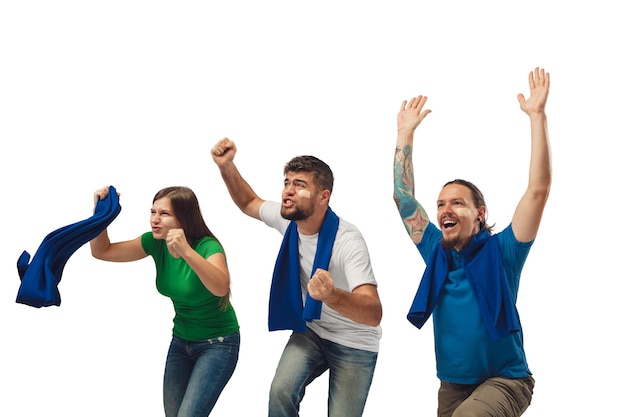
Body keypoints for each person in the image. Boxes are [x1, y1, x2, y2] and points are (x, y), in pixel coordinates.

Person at [393, 67, 551, 417]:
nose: (445, 209)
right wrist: (405, 133)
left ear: (480, 213)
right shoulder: (436, 250)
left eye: (457, 203)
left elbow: (538, 192)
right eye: (440, 204)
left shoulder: (505, 250)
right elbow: (403, 198)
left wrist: (537, 117)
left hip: (506, 380)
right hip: (452, 384)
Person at [211, 140, 383, 417]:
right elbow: (248, 202)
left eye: (300, 185)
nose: (288, 191)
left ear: (323, 197)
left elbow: (373, 313)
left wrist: (332, 295)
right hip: (313, 330)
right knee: (280, 391)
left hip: (355, 340)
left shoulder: (348, 241)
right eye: (287, 182)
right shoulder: (288, 220)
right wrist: (227, 167)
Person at [90, 186, 240, 417]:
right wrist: (100, 214)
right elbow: (103, 251)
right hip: (181, 342)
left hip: (218, 344)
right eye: (152, 212)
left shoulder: (208, 246)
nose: (155, 220)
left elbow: (221, 288)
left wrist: (186, 251)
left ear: (185, 217)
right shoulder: (154, 242)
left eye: (164, 214)